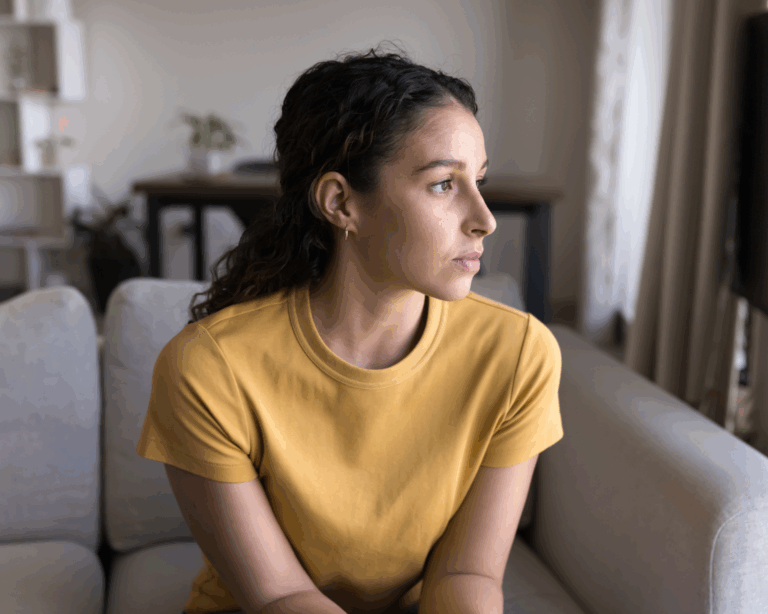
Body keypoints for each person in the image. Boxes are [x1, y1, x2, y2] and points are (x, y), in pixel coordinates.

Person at [135, 43, 563, 614]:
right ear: (341, 202)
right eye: (443, 184)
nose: (484, 219)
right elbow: (280, 595)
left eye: (478, 180)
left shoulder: (519, 353)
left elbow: (466, 575)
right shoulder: (208, 368)